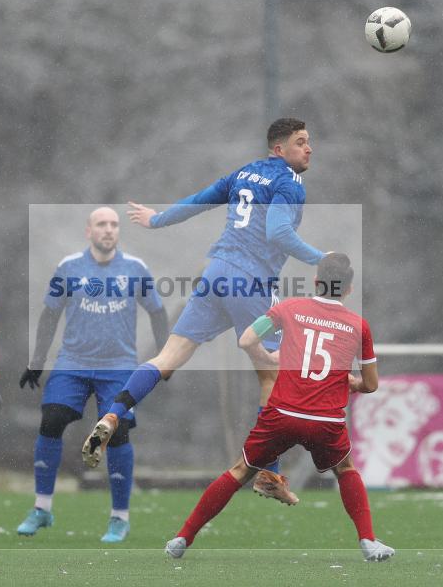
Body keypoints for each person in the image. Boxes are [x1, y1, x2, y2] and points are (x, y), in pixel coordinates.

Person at [82, 118, 324, 500]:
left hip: (215, 273)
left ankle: (114, 413)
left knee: (169, 357)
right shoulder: (289, 182)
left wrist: (156, 219)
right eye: (300, 142)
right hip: (250, 282)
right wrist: (321, 258)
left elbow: (200, 200)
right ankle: (268, 473)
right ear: (279, 150)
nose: (309, 148)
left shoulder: (244, 172)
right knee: (272, 376)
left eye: (309, 142)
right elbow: (278, 233)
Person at [163, 253, 394, 562]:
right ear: (349, 289)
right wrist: (351, 383)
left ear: (316, 282)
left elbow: (246, 340)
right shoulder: (358, 326)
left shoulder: (288, 308)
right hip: (325, 420)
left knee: (241, 471)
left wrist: (270, 358)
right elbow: (371, 384)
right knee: (345, 469)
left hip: (282, 414)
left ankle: (182, 538)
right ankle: (368, 541)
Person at [16, 207, 168, 543]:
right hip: (73, 362)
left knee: (117, 432)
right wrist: (38, 359)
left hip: (119, 366)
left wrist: (164, 358)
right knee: (51, 419)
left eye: (114, 224)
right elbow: (49, 314)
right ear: (89, 231)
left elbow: (157, 312)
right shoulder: (69, 267)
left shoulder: (135, 269)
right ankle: (42, 508)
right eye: (102, 224)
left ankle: (119, 518)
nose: (109, 230)